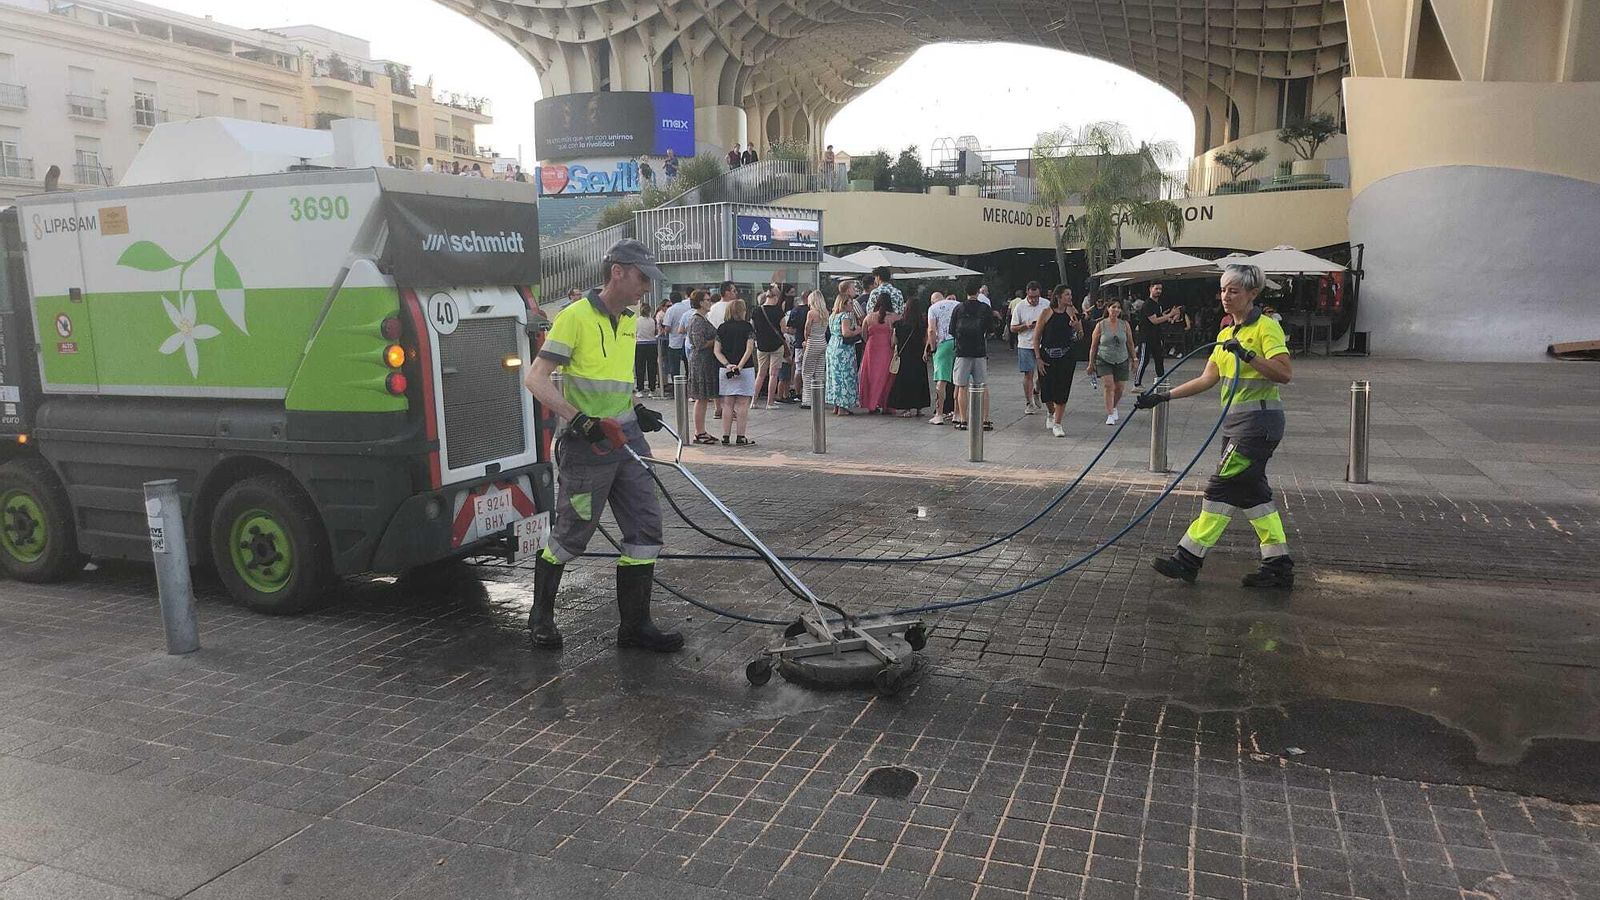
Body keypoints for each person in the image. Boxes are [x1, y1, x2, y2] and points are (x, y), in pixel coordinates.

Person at [521, 239, 681, 653]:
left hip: (628, 441)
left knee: (646, 528)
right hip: (587, 445)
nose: (646, 286)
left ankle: (635, 626)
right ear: (618, 272)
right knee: (572, 534)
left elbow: (615, 380)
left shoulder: (628, 320)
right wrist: (578, 419)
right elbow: (535, 379)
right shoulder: (574, 318)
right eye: (642, 278)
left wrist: (636, 408)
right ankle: (541, 616)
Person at [1138, 264, 1295, 589]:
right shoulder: (1225, 335)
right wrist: (1162, 397)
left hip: (1258, 425)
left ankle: (1187, 558)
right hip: (1237, 426)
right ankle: (1278, 564)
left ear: (1252, 294)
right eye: (1223, 290)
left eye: (1233, 291)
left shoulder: (1266, 328)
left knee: (1220, 488)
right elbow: (1206, 379)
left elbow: (1284, 373)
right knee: (1254, 496)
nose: (1225, 296)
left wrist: (1248, 356)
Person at [1034, 286, 1080, 437]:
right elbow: (1037, 337)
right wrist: (1038, 358)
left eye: (1070, 294)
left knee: (1062, 389)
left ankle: (1058, 423)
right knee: (1047, 390)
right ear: (1058, 297)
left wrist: (1076, 327)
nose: (1070, 297)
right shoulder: (1046, 313)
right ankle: (1050, 412)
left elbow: (1080, 335)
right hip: (1047, 355)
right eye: (1067, 294)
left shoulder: (1072, 312)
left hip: (1066, 356)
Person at [714, 298, 758, 445]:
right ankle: (741, 436)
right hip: (745, 369)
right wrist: (739, 366)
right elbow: (749, 349)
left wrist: (728, 364)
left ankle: (725, 436)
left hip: (725, 369)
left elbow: (716, 351)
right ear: (742, 311)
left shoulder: (722, 328)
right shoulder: (747, 327)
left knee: (727, 404)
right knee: (743, 403)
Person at [950, 288, 992, 431]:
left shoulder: (959, 308)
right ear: (978, 292)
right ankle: (985, 420)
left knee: (962, 386)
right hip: (979, 351)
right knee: (983, 385)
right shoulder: (984, 308)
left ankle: (963, 419)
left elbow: (952, 330)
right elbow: (990, 329)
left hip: (962, 352)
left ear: (966, 292)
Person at [1089, 300, 1134, 425]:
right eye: (1113, 307)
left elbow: (1130, 343)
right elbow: (1093, 346)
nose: (1116, 310)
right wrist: (1091, 363)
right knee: (1109, 386)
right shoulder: (1101, 325)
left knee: (1119, 387)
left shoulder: (1124, 325)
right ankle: (1109, 413)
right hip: (1104, 358)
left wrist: (1134, 359)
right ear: (1108, 309)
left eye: (1118, 307)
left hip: (1122, 358)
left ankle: (1114, 406)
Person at [887, 290, 931, 417]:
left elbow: (894, 341)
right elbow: (925, 340)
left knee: (905, 382)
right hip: (918, 357)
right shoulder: (922, 324)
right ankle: (919, 408)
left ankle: (907, 408)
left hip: (905, 357)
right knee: (919, 381)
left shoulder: (899, 324)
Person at [684, 290, 720, 444]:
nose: (709, 302)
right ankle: (699, 432)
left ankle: (702, 430)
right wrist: (716, 341)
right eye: (707, 300)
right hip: (700, 362)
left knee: (704, 398)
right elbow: (699, 344)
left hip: (705, 360)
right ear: (700, 302)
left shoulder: (703, 319)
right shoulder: (697, 320)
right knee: (701, 397)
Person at [856, 292, 899, 414]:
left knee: (871, 376)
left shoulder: (869, 317)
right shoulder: (895, 318)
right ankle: (886, 404)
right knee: (886, 377)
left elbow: (864, 334)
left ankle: (871, 403)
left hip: (871, 348)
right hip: (887, 348)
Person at [1135, 283, 1182, 387]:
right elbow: (1154, 320)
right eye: (1156, 289)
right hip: (1146, 336)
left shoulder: (1158, 304)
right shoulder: (1147, 304)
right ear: (1150, 289)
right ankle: (1137, 384)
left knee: (1159, 359)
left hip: (1156, 336)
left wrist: (1172, 316)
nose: (1159, 291)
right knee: (1144, 360)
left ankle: (1161, 381)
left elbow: (1161, 318)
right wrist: (1170, 314)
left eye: (1160, 289)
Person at [1010, 281, 1047, 415]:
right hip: (1025, 344)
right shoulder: (1020, 306)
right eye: (1031, 297)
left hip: (1043, 343)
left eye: (1036, 297)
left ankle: (1037, 390)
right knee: (1028, 373)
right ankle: (1029, 402)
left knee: (1045, 374)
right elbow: (1013, 328)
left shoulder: (1046, 304)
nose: (1034, 300)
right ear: (1027, 293)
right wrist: (1026, 326)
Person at [925, 289, 959, 424]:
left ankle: (939, 414)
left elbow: (931, 330)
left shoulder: (933, 309)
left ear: (932, 301)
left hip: (944, 343)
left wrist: (933, 348)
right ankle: (957, 413)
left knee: (941, 380)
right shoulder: (958, 304)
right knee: (958, 380)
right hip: (959, 343)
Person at [825, 290, 860, 415]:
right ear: (843, 304)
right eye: (850, 303)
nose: (852, 305)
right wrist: (857, 331)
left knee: (835, 377)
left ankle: (836, 405)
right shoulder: (845, 316)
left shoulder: (833, 316)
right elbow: (846, 333)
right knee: (845, 376)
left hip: (832, 346)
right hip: (843, 349)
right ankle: (843, 406)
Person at [752, 286, 787, 409]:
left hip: (761, 345)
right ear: (776, 297)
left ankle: (753, 401)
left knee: (760, 374)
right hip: (776, 345)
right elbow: (783, 329)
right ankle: (770, 402)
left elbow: (753, 328)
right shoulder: (778, 311)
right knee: (773, 374)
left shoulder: (756, 311)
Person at [800, 291, 829, 408]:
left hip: (813, 343)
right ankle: (819, 399)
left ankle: (807, 400)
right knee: (819, 372)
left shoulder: (811, 313)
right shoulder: (826, 312)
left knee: (807, 372)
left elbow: (807, 329)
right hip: (823, 342)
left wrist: (805, 340)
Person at [660, 290, 689, 396]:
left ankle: (677, 390)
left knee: (674, 367)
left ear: (671, 300)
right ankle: (688, 387)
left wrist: (664, 330)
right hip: (686, 341)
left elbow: (667, 327)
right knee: (688, 365)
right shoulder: (687, 308)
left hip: (675, 342)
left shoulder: (671, 310)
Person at [783, 293, 810, 401]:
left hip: (799, 342)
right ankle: (808, 392)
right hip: (812, 342)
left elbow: (790, 327)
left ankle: (798, 392)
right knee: (810, 369)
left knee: (798, 368)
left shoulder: (795, 311)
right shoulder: (814, 310)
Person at [634, 298, 658, 397]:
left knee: (640, 367)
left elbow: (634, 332)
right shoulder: (652, 321)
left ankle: (640, 389)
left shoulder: (636, 321)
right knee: (652, 367)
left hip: (640, 344)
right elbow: (655, 332)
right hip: (652, 344)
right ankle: (652, 389)